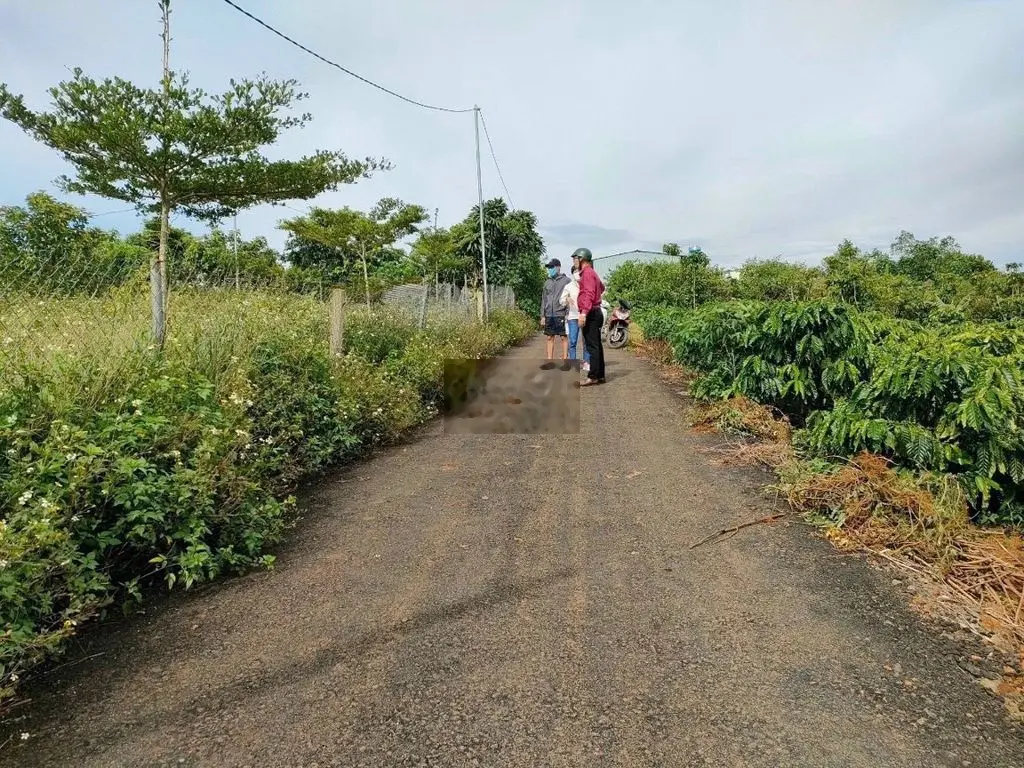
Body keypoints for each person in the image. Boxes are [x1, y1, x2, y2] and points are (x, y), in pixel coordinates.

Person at [575, 247, 606, 385]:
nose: (574, 261)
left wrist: (583, 313)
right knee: (597, 345)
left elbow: (588, 293)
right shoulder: (592, 273)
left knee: (592, 346)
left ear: (582, 259)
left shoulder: (587, 273)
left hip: (591, 313)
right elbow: (601, 287)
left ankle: (593, 376)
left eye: (575, 258)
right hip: (596, 311)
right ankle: (600, 375)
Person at [539, 258, 572, 371]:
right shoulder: (547, 282)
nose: (550, 270)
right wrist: (542, 315)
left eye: (551, 267)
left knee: (563, 337)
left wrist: (568, 314)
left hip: (561, 314)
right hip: (549, 314)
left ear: (558, 267)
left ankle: (565, 362)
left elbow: (570, 298)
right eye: (549, 268)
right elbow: (544, 299)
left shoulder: (566, 281)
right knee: (549, 337)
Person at [559, 266, 583, 366]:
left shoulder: (586, 285)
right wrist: (567, 299)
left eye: (579, 271)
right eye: (575, 271)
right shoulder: (568, 286)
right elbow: (561, 301)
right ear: (572, 273)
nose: (577, 273)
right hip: (573, 317)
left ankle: (586, 362)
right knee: (573, 341)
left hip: (585, 316)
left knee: (586, 342)